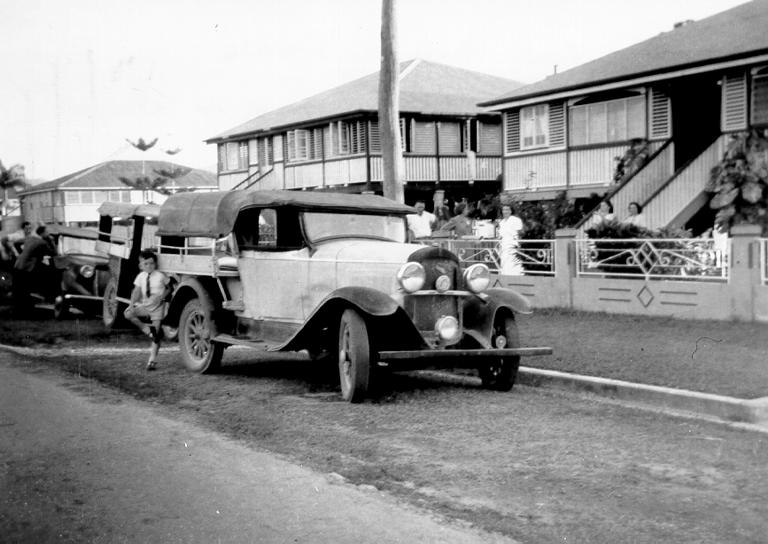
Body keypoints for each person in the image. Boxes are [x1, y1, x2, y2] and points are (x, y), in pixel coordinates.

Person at [124, 249, 171, 370]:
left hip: (157, 307)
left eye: (151, 263)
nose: (149, 266)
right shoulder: (141, 276)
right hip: (146, 305)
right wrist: (131, 304)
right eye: (146, 264)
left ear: (155, 264)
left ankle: (152, 360)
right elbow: (136, 291)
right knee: (128, 314)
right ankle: (146, 329)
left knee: (156, 335)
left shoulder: (160, 275)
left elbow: (169, 288)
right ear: (141, 265)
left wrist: (161, 297)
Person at [13, 224, 57, 310]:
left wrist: (22, 253)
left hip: (18, 263)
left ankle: (20, 307)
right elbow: (54, 253)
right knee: (27, 287)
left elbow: (16, 243)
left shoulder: (30, 238)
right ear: (43, 233)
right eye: (47, 232)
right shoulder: (42, 242)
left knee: (20, 287)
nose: (48, 234)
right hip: (27, 267)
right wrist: (52, 241)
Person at [497, 204, 524, 275]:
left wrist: (519, 245)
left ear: (511, 211)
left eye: (507, 210)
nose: (505, 211)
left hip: (512, 245)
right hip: (503, 246)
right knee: (504, 266)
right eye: (504, 210)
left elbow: (520, 233)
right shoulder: (501, 222)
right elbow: (500, 235)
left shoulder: (516, 220)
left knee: (513, 265)